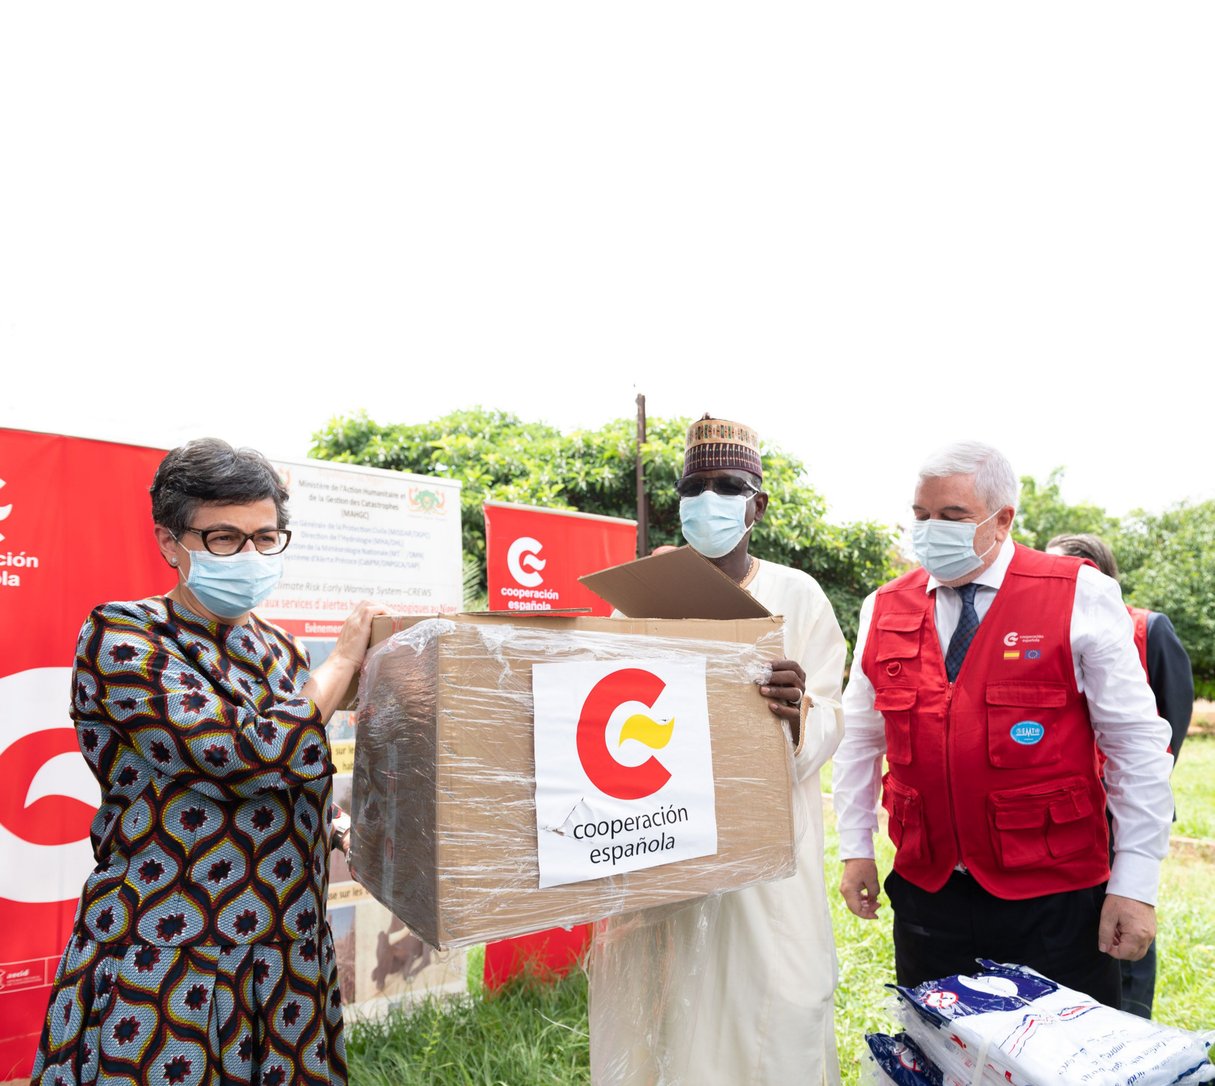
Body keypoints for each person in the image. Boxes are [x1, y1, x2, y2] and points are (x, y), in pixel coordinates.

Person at [31, 438, 381, 1086]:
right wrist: (341, 663)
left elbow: (289, 777)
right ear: (171, 542)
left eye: (265, 538)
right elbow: (242, 758)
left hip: (288, 952)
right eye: (224, 538)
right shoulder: (125, 635)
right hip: (171, 952)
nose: (249, 556)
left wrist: (336, 827)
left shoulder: (278, 649)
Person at [833, 440, 1173, 1008]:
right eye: (920, 515)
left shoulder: (1078, 594)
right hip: (929, 895)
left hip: (1053, 900)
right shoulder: (883, 607)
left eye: (952, 516)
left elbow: (1135, 744)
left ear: (1003, 519)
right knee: (940, 1057)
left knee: (1064, 1060)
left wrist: (1135, 884)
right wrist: (854, 847)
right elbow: (861, 741)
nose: (930, 530)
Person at [590, 415, 848, 1085]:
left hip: (764, 876)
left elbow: (829, 721)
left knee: (773, 1021)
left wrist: (797, 713)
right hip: (660, 852)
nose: (708, 500)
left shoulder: (797, 595)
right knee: (665, 1030)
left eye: (727, 485)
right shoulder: (639, 599)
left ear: (756, 504)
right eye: (694, 486)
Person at [1046, 531, 1194, 1017]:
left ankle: (1129, 1019)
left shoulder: (1149, 628)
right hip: (1064, 815)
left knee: (1126, 915)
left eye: (1060, 568)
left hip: (1119, 810)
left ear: (1091, 571)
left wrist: (1129, 802)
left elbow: (1167, 725)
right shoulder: (1048, 631)